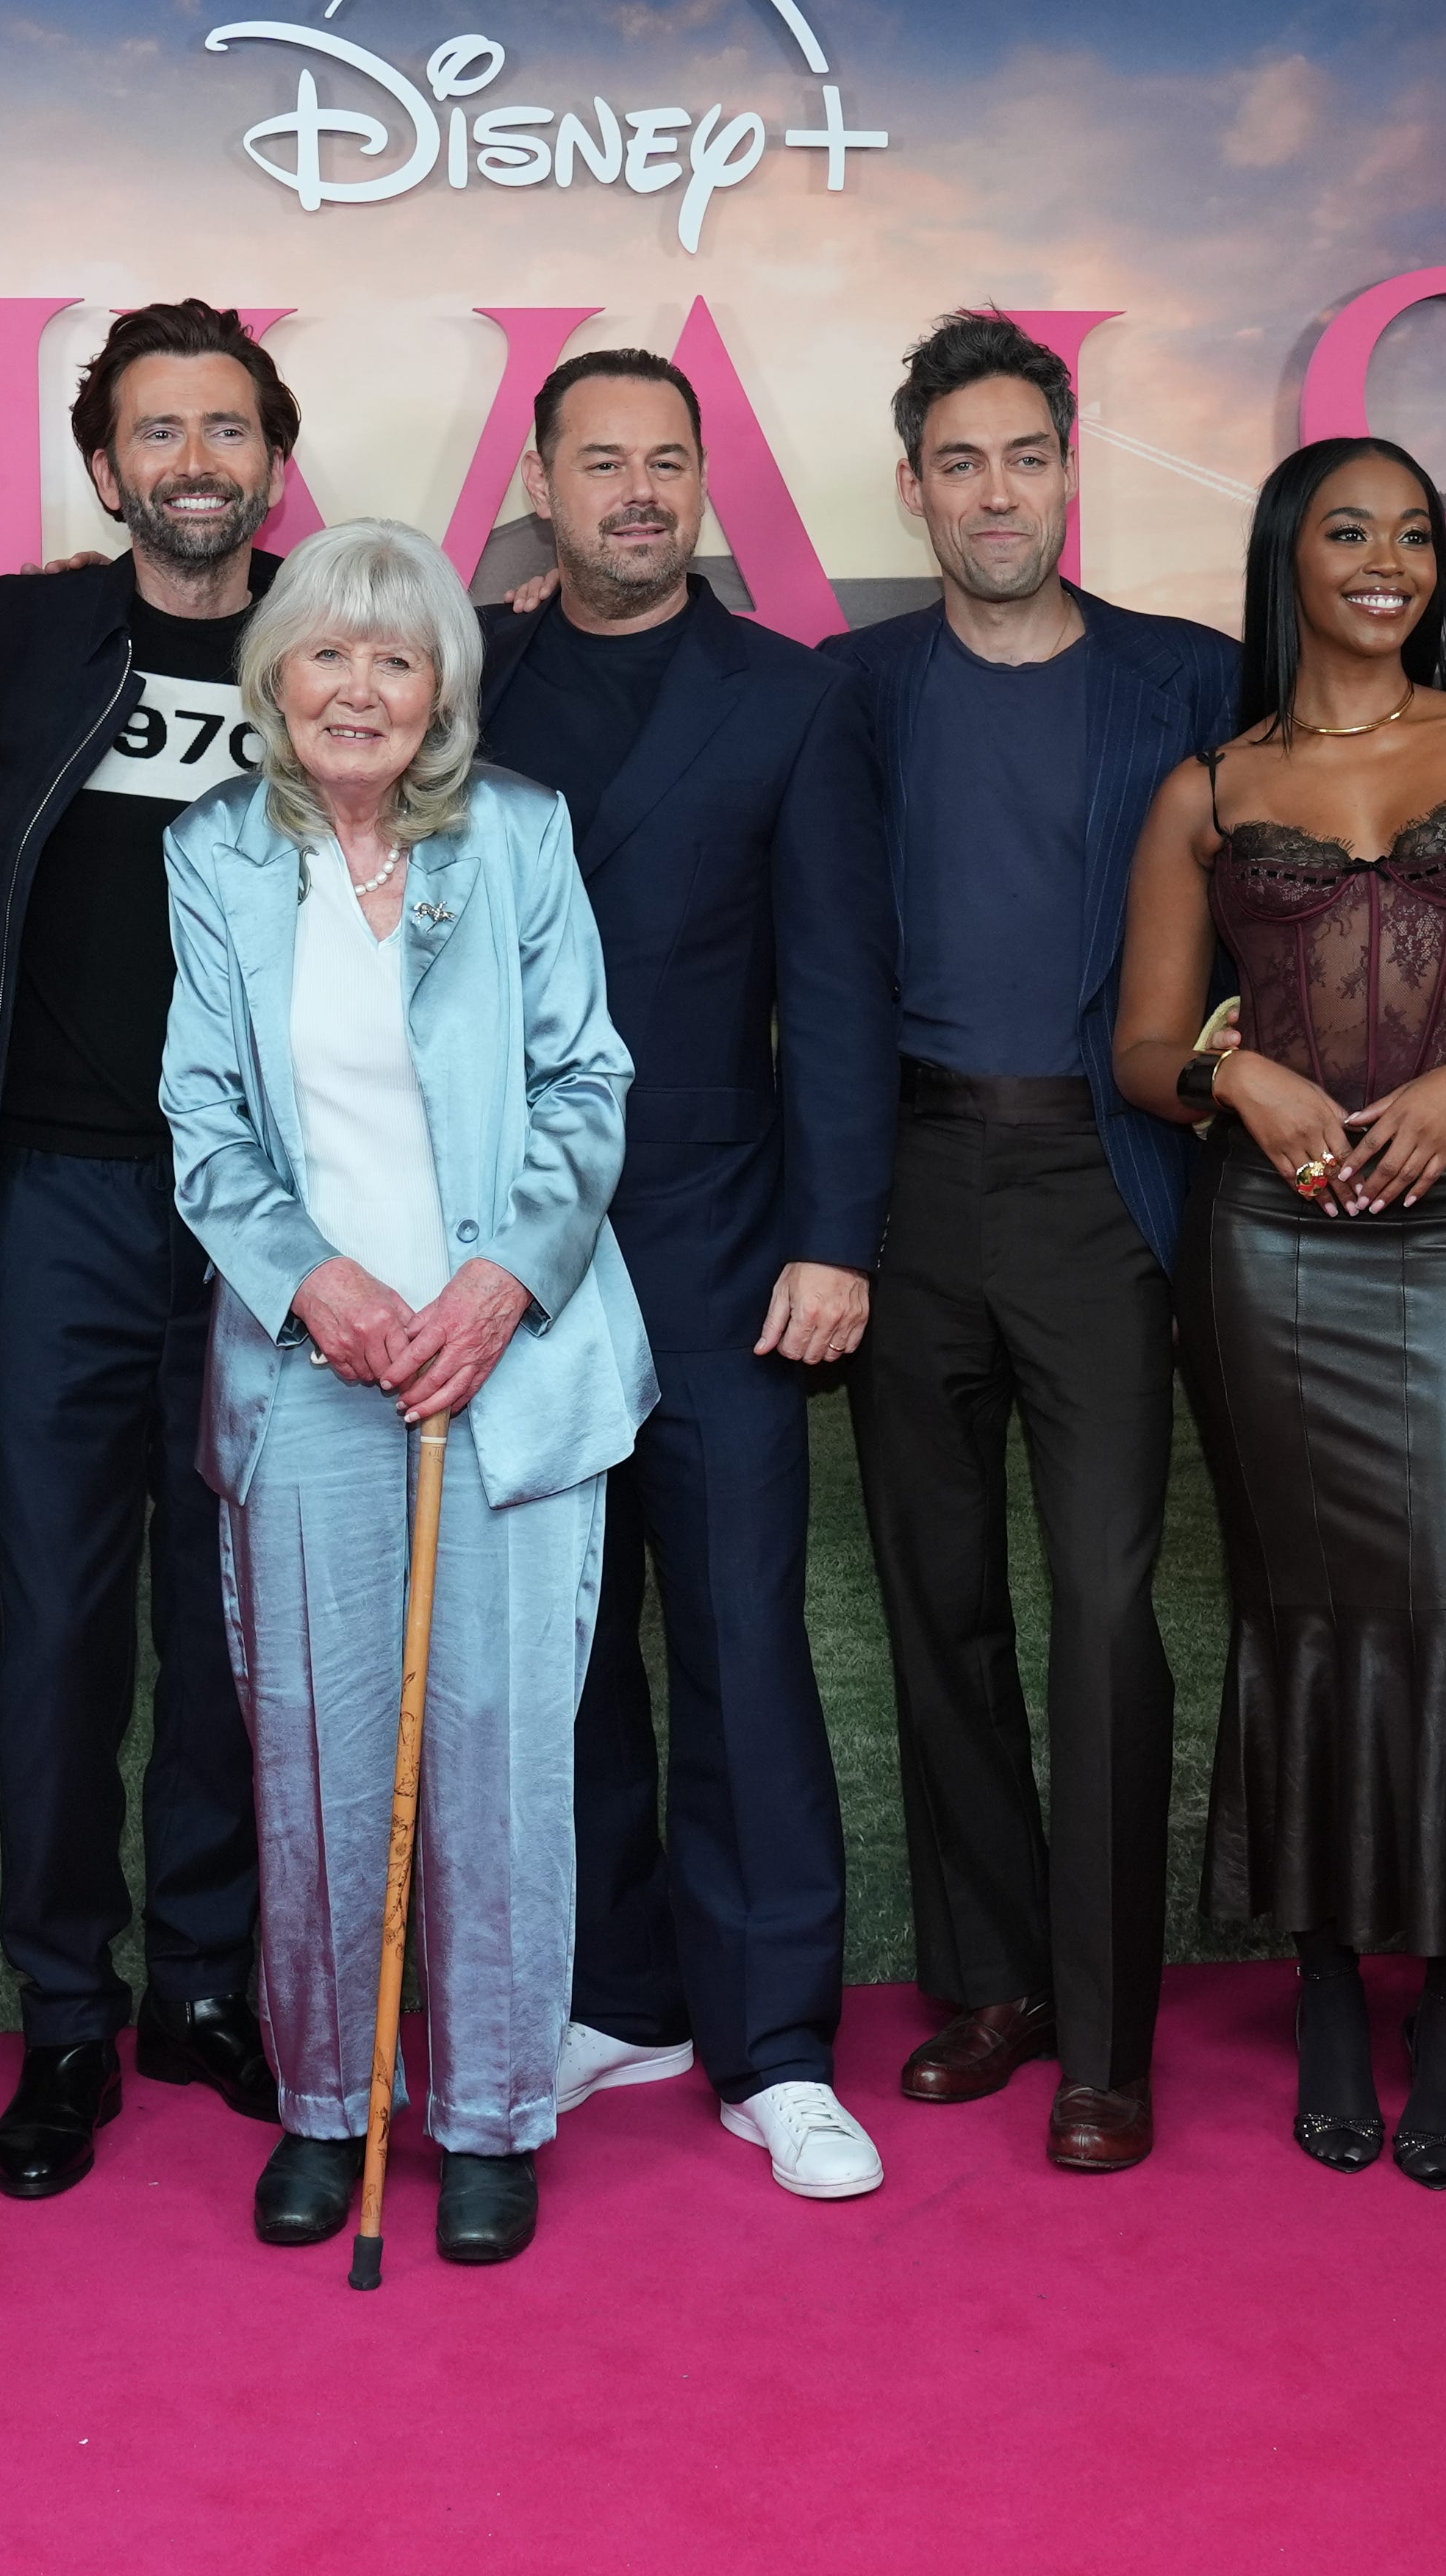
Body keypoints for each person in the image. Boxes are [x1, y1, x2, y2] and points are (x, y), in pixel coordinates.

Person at [163, 517, 653, 2265]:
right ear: (276, 677)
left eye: (395, 656)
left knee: (501, 1758)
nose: (358, 686)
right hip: (311, 1361)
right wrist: (320, 1282)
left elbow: (586, 1079)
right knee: (317, 1751)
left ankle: (495, 2114)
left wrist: (499, 1281)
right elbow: (204, 1119)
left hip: (504, 1357)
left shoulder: (518, 832)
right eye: (327, 653)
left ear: (441, 686)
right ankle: (327, 2102)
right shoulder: (217, 852)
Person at [1112, 435, 1446, 2190]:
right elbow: (1144, 1049)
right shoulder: (1209, 789)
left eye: (1413, 535)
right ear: (1289, 559)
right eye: (1349, 532)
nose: (1388, 561)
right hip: (1275, 1241)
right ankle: (1328, 1983)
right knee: (1303, 1611)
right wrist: (1242, 1081)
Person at [473, 348, 898, 2203]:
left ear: (703, 481)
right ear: (541, 484)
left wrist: (835, 1231)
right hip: (507, 1250)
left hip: (724, 1236)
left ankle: (777, 2044)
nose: (638, 490)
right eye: (602, 461)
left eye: (667, 459)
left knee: (738, 1638)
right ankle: (615, 1993)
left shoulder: (789, 696)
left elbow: (843, 985)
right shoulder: (466, 683)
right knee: (559, 1648)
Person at [828, 313, 1240, 2173]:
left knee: (1101, 1604)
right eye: (961, 461)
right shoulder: (852, 690)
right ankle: (994, 1982)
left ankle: (1107, 2031)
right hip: (909, 1185)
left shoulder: (1190, 679)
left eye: (1027, 455)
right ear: (913, 485)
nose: (998, 493)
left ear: (1072, 470)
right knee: (942, 1603)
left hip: (1106, 1181)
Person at [0, 303, 291, 2196]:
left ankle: (207, 1985)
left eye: (226, 426)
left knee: (233, 1618)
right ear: (105, 468)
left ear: (270, 458)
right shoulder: (12, 639)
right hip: (61, 1200)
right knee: (59, 1624)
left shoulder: (339, 637)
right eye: (158, 430)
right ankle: (67, 2012)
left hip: (267, 1212)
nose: (194, 460)